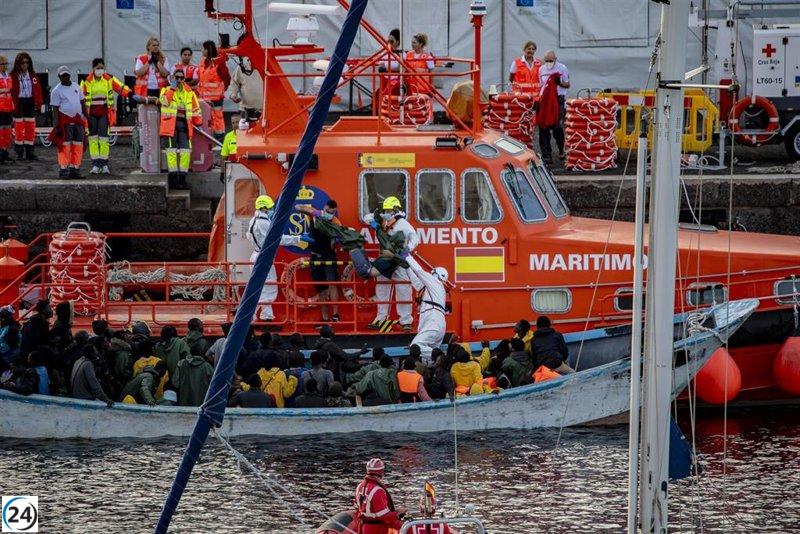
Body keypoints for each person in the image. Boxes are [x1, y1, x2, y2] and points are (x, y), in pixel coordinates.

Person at [247, 195, 304, 321]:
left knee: (260, 287)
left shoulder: (254, 221)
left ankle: (264, 315)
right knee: (269, 288)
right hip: (263, 258)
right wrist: (298, 238)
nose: (273, 210)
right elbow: (278, 239)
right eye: (271, 208)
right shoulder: (264, 223)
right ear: (265, 208)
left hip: (257, 256)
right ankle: (253, 315)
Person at [367, 196, 419, 332]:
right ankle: (380, 318)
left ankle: (406, 321)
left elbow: (415, 237)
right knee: (381, 289)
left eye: (389, 209)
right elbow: (367, 217)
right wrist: (375, 220)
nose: (387, 211)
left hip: (397, 261)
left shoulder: (403, 224)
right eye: (385, 209)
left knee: (403, 290)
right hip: (385, 260)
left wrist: (408, 249)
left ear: (395, 209)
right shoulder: (385, 221)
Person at [80, 58, 131, 175]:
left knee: (104, 139)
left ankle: (104, 164)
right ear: (93, 69)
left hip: (104, 114)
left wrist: (130, 94)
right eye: (98, 68)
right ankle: (95, 165)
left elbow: (121, 88)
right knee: (93, 139)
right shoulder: (86, 81)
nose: (100, 70)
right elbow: (80, 97)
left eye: (102, 68)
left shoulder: (109, 79)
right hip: (91, 114)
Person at [159, 69, 202, 190]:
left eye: (181, 78)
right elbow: (164, 102)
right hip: (170, 126)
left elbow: (196, 109)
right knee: (171, 152)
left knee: (185, 152)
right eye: (176, 77)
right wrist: (172, 89)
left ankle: (182, 180)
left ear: (184, 79)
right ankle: (173, 180)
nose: (178, 80)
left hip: (185, 126)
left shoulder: (189, 92)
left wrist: (198, 123)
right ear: (173, 78)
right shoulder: (166, 90)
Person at [405, 256, 448, 363]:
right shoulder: (432, 289)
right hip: (437, 321)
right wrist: (406, 266)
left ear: (435, 275)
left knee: (416, 346)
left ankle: (444, 358)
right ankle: (436, 365)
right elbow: (416, 282)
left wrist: (407, 256)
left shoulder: (435, 283)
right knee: (429, 356)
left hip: (433, 320)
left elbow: (419, 271)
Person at [305, 200, 341, 322]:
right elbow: (298, 207)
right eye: (328, 211)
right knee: (321, 288)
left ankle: (336, 315)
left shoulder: (335, 221)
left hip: (329, 255)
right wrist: (315, 212)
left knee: (332, 284)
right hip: (315, 256)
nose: (329, 214)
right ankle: (325, 318)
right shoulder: (314, 215)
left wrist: (336, 239)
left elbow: (340, 235)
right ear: (324, 207)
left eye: (332, 213)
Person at [50, 66, 86, 179]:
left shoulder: (76, 86)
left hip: (78, 120)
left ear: (69, 75)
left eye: (66, 75)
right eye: (62, 76)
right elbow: (55, 109)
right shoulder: (56, 91)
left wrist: (87, 116)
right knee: (65, 146)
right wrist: (57, 126)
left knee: (78, 145)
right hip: (65, 121)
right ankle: (63, 169)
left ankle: (75, 169)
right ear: (59, 77)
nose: (65, 77)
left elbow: (82, 102)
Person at [354, 458, 405, 534]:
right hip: (376, 529)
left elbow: (357, 508)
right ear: (381, 472)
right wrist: (398, 513)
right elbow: (384, 516)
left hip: (362, 527)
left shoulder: (359, 487)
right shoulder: (377, 490)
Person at [537, 50, 570, 165]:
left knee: (557, 127)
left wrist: (559, 82)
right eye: (547, 60)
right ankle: (547, 155)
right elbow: (541, 85)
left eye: (551, 60)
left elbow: (567, 84)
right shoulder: (541, 69)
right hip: (545, 100)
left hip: (558, 99)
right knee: (543, 127)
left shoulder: (562, 68)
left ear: (555, 59)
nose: (549, 62)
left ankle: (561, 149)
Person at [10, 52, 43, 161]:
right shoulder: (13, 76)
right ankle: (19, 153)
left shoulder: (33, 76)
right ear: (18, 64)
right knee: (19, 129)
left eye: (27, 62)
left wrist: (39, 104)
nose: (25, 65)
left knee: (30, 128)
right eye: (22, 63)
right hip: (18, 102)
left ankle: (30, 152)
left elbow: (38, 91)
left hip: (29, 102)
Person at [197, 40, 230, 139]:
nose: (201, 50)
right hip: (203, 98)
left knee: (217, 119)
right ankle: (209, 139)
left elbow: (227, 78)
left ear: (208, 49)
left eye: (203, 48)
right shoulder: (203, 61)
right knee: (207, 118)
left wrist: (221, 90)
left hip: (216, 98)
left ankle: (219, 139)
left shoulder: (219, 63)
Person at [228, 44, 263, 117]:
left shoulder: (266, 67)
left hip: (264, 109)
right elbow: (234, 83)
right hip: (246, 109)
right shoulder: (241, 68)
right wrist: (233, 94)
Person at [134, 37, 169, 104]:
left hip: (160, 89)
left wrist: (157, 62)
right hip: (145, 89)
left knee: (159, 108)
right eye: (153, 45)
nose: (156, 47)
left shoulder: (163, 58)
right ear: (148, 47)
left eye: (157, 45)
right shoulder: (141, 58)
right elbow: (139, 73)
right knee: (145, 109)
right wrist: (149, 62)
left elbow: (165, 74)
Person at [0, 55, 14, 163]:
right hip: (0, 108)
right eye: (3, 64)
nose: (5, 66)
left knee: (7, 130)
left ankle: (4, 151)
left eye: (6, 64)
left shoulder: (8, 76)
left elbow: (10, 90)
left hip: (8, 107)